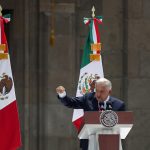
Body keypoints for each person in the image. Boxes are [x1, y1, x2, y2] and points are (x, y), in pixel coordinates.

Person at [56, 77, 125, 150]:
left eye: (102, 91)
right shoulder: (88, 98)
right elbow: (71, 102)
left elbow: (123, 127)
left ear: (109, 91)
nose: (98, 94)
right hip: (89, 143)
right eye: (97, 91)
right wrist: (62, 94)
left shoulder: (118, 105)